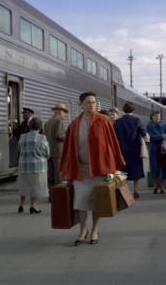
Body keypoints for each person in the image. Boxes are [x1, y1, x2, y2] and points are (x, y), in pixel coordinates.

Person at [59, 92, 125, 245]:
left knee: (97, 201)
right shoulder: (74, 124)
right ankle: (83, 229)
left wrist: (112, 166)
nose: (92, 105)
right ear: (81, 104)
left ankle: (94, 229)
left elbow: (111, 143)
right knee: (80, 201)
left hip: (99, 168)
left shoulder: (104, 120)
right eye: (88, 102)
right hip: (80, 169)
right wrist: (67, 169)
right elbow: (68, 149)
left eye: (94, 102)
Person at [114, 102, 149, 199]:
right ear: (133, 110)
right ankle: (136, 190)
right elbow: (143, 132)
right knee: (135, 171)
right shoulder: (136, 120)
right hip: (135, 149)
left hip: (122, 149)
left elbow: (114, 135)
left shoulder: (118, 121)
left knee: (123, 171)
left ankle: (125, 190)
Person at [17, 118, 50, 214]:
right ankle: (34, 206)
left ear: (30, 126)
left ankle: (21, 205)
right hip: (38, 166)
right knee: (35, 187)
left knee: (24, 186)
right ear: (40, 127)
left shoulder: (22, 137)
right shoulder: (42, 138)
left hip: (24, 166)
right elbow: (47, 153)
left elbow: (19, 150)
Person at [146, 110, 166, 194]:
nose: (158, 118)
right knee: (154, 168)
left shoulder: (163, 124)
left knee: (164, 167)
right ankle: (155, 186)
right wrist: (161, 136)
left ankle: (163, 186)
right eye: (156, 116)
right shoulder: (149, 126)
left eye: (159, 116)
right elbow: (150, 137)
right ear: (152, 117)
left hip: (162, 148)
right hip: (153, 149)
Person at [44, 103, 67, 196]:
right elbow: (59, 135)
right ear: (60, 112)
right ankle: (59, 194)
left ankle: (52, 194)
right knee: (59, 176)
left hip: (49, 151)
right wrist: (68, 136)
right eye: (64, 112)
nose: (64, 115)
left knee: (51, 175)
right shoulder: (59, 121)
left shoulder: (48, 122)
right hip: (58, 152)